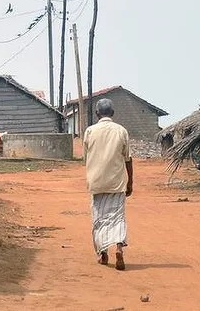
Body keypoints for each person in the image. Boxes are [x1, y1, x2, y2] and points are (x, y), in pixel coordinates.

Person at [83, 98, 133, 271]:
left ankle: (103, 253)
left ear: (97, 113)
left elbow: (86, 157)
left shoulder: (90, 131)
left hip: (96, 182)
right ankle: (118, 248)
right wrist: (130, 182)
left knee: (99, 219)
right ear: (112, 113)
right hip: (116, 182)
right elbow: (128, 159)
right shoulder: (121, 131)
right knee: (117, 217)